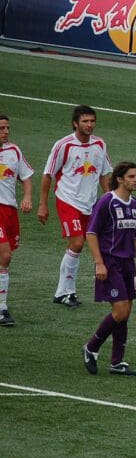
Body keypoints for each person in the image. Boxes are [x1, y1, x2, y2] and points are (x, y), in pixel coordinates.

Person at [38, 104, 113, 309]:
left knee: (79, 246)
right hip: (67, 199)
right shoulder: (64, 145)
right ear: (75, 123)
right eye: (85, 121)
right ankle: (68, 291)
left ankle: (61, 292)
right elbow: (48, 174)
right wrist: (43, 204)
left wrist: (109, 200)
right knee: (78, 242)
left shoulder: (99, 144)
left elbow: (105, 173)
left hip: (90, 203)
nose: (89, 125)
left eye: (92, 121)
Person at [82, 162, 136, 376]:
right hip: (110, 262)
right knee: (120, 310)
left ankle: (117, 362)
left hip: (128, 263)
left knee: (125, 312)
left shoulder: (134, 204)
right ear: (120, 179)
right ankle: (91, 347)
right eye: (131, 176)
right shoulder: (107, 201)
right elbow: (91, 233)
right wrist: (99, 263)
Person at [0, 116, 34, 328]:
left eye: (7, 128)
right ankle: (2, 308)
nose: (5, 131)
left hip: (10, 211)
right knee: (5, 255)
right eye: (1, 128)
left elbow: (26, 176)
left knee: (5, 259)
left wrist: (27, 196)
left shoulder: (14, 151)